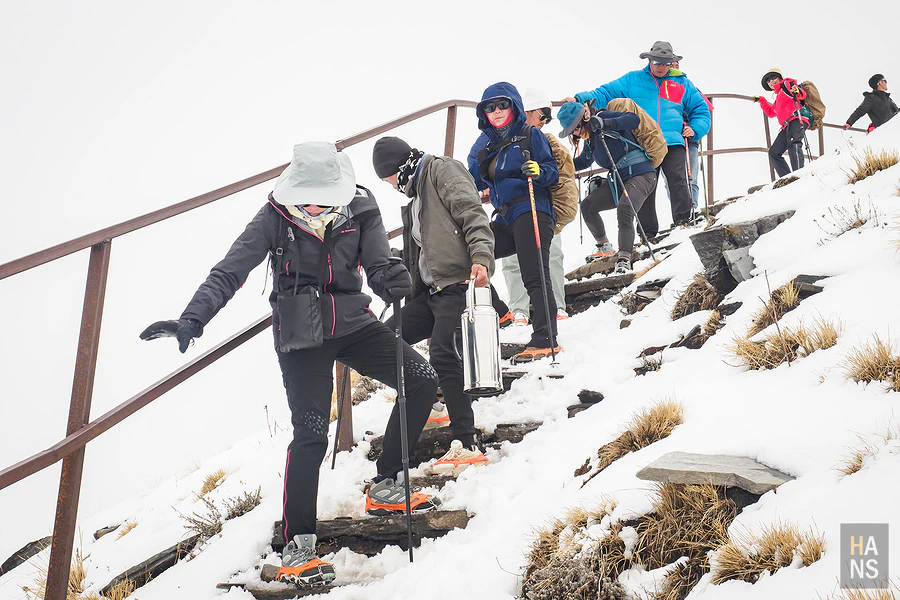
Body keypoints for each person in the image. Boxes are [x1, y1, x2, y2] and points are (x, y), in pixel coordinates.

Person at [139, 142, 440, 587]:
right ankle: (298, 547)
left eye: (323, 196)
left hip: (353, 323)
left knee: (421, 380)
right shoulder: (273, 216)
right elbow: (231, 270)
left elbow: (376, 263)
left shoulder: (360, 206)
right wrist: (192, 318)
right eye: (305, 196)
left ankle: (387, 484)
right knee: (311, 433)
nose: (313, 204)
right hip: (301, 338)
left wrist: (390, 276)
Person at [372, 135, 494, 475]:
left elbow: (472, 214)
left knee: (442, 351)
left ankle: (467, 443)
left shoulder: (442, 170)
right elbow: (420, 253)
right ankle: (433, 400)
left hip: (458, 283)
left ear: (401, 167)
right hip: (428, 292)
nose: (393, 186)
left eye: (390, 179)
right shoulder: (414, 196)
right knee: (382, 341)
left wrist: (482, 256)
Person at [564, 41, 710, 234]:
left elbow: (701, 109)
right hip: (642, 142)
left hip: (673, 140)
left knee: (678, 178)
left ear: (671, 62)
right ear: (649, 60)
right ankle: (647, 234)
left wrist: (695, 128)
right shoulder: (633, 79)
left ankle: (684, 221)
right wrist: (579, 99)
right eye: (657, 61)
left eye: (665, 62)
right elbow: (605, 92)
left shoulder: (683, 83)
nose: (661, 66)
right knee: (645, 186)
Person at [467, 82, 561, 363]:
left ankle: (546, 339)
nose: (496, 111)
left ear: (514, 106)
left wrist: (539, 171)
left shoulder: (530, 134)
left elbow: (552, 172)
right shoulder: (486, 144)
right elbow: (472, 176)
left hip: (532, 208)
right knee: (468, 256)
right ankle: (501, 311)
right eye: (489, 107)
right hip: (505, 216)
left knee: (534, 274)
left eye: (502, 105)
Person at [501, 89, 577, 323]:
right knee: (513, 258)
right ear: (526, 112)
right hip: (512, 207)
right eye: (542, 115)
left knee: (552, 254)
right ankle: (519, 309)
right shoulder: (499, 138)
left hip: (542, 205)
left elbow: (562, 172)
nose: (545, 122)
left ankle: (557, 306)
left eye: (547, 118)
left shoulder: (546, 140)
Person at [557, 101, 658, 274]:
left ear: (583, 119)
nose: (575, 133)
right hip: (620, 181)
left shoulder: (602, 118)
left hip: (642, 174)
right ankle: (604, 246)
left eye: (575, 127)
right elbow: (583, 161)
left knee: (625, 208)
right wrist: (557, 165)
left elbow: (633, 119)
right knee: (588, 206)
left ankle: (624, 258)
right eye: (571, 131)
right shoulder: (591, 141)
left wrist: (605, 123)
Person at [755, 68, 809, 178]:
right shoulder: (779, 96)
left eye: (773, 77)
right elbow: (771, 112)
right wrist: (762, 100)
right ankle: (788, 179)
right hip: (786, 125)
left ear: (780, 77)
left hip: (797, 119)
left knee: (793, 145)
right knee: (774, 153)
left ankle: (799, 177)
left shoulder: (786, 84)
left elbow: (801, 94)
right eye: (768, 80)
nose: (771, 81)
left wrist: (797, 91)